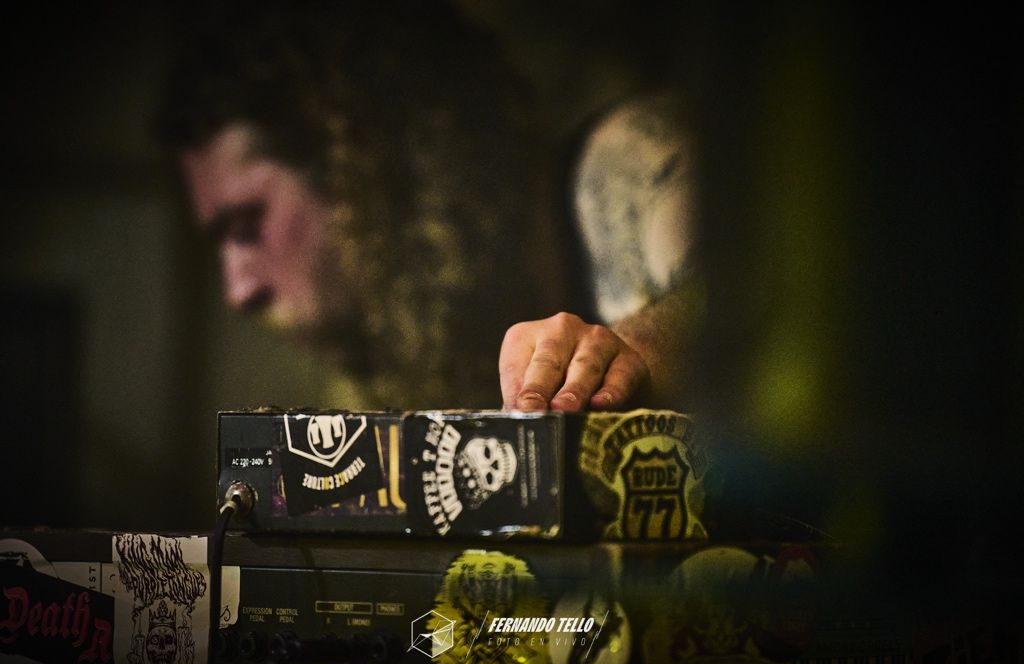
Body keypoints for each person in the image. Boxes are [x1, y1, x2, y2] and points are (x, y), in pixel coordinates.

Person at [160, 2, 698, 412]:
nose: (237, 291)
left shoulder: (638, 160)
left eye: (246, 225)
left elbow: (744, 287)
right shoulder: (418, 356)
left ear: (363, 164)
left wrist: (634, 351)